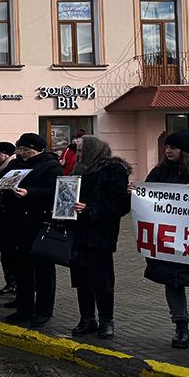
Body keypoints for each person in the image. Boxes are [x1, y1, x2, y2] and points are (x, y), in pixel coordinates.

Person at [142, 130, 189, 350]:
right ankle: (181, 328)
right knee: (173, 284)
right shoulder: (159, 172)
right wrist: (137, 194)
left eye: (173, 147)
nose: (168, 151)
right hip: (169, 244)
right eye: (167, 147)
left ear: (185, 151)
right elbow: (149, 198)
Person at [65, 135, 131, 340]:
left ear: (93, 149)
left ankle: (106, 320)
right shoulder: (79, 169)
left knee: (101, 280)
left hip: (99, 235)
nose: (79, 153)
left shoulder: (112, 170)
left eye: (82, 149)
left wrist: (90, 210)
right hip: (78, 233)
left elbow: (119, 205)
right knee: (81, 279)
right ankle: (87, 318)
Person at [0, 132, 62, 327]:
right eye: (21, 149)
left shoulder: (51, 166)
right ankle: (24, 308)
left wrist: (30, 192)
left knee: (43, 270)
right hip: (15, 224)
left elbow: (54, 191)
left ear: (38, 150)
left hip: (39, 224)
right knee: (21, 268)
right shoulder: (16, 164)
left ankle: (43, 310)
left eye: (26, 150)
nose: (22, 153)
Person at [0, 142, 19, 296]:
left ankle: (13, 282)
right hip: (1, 212)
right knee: (5, 251)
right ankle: (11, 281)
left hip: (9, 215)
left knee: (9, 252)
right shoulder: (0, 167)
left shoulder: (11, 166)